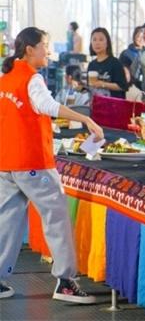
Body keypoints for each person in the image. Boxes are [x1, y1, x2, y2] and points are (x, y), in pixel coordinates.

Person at [0, 27, 104, 304]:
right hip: (32, 162)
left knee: (7, 221)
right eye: (45, 45)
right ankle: (66, 281)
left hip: (7, 162)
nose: (49, 50)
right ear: (30, 49)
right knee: (56, 216)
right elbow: (48, 106)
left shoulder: (6, 78)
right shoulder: (31, 79)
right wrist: (86, 120)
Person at [87, 27, 129, 99]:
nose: (97, 43)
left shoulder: (115, 63)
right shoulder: (91, 65)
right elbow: (90, 87)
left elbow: (122, 86)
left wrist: (103, 84)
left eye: (101, 39)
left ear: (107, 43)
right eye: (94, 40)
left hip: (113, 106)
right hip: (95, 105)